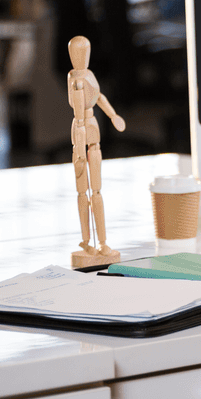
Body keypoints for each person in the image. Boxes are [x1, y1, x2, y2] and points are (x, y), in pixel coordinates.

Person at [68, 34, 127, 267]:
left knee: (97, 191)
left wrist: (113, 115)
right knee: (83, 191)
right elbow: (78, 109)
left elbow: (100, 96)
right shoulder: (74, 79)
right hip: (81, 128)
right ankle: (86, 240)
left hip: (92, 127)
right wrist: (80, 151)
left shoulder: (89, 75)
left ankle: (102, 241)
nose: (82, 57)